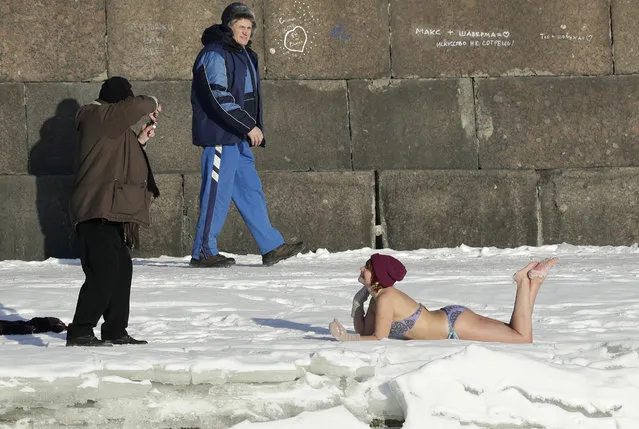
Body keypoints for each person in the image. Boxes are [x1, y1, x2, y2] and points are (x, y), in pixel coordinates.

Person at [189, 2, 303, 268]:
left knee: (251, 191)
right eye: (241, 26)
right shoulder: (214, 53)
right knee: (215, 194)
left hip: (237, 137)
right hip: (220, 136)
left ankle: (271, 245)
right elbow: (218, 96)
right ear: (229, 27)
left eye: (249, 27)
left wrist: (249, 127)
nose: (246, 31)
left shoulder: (244, 54)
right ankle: (204, 250)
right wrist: (247, 126)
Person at [66, 76, 161, 346]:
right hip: (95, 208)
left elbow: (114, 155)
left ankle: (115, 330)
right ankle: (81, 329)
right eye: (126, 101)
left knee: (121, 268)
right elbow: (137, 106)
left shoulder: (109, 124)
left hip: (108, 210)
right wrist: (152, 103)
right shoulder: (98, 115)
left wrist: (140, 140)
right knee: (105, 269)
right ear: (118, 102)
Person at [329, 253, 559, 343]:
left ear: (377, 276)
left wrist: (347, 339)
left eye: (367, 268)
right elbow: (366, 331)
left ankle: (523, 281)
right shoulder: (379, 297)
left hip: (455, 325)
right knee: (517, 332)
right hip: (450, 320)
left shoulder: (387, 297)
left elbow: (377, 338)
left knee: (521, 338)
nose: (361, 268)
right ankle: (535, 280)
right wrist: (357, 304)